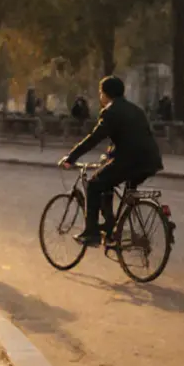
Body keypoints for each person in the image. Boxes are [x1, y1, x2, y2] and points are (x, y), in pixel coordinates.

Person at [58, 76, 164, 246]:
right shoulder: (136, 110)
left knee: (93, 185)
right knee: (109, 183)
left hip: (129, 161)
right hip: (150, 161)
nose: (100, 97)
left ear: (106, 94)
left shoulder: (111, 111)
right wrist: (109, 156)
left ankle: (92, 233)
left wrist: (71, 157)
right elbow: (133, 136)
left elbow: (94, 138)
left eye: (101, 93)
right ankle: (111, 227)